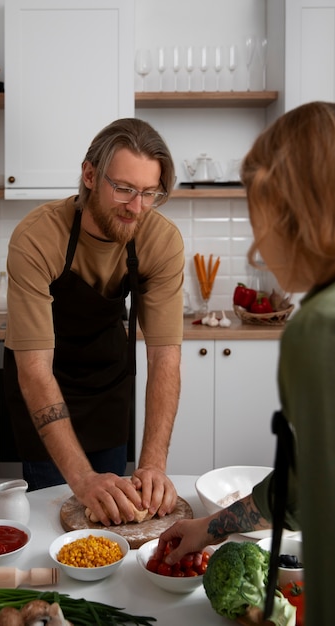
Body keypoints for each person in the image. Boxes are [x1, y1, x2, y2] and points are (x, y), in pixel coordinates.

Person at [155, 101, 335, 626]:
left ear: (293, 213)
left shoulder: (318, 327)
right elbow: (298, 487)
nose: (259, 246)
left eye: (261, 215)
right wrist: (209, 528)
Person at [4, 117, 184, 526]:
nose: (135, 207)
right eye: (123, 188)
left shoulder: (161, 240)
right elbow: (33, 370)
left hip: (107, 389)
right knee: (54, 519)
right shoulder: (37, 237)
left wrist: (153, 464)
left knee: (113, 517)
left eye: (148, 193)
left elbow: (164, 359)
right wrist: (82, 479)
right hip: (44, 387)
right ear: (89, 175)